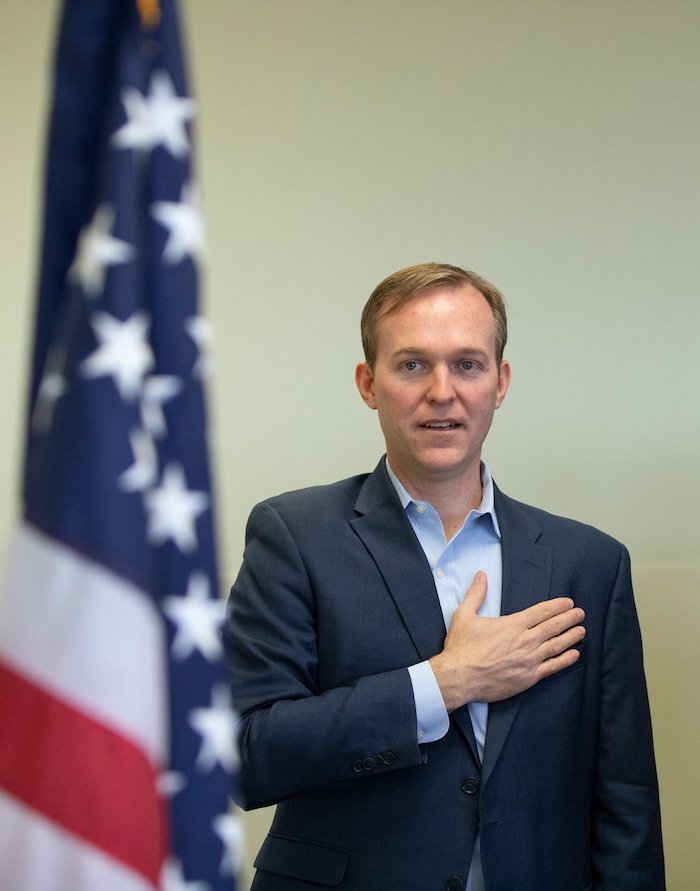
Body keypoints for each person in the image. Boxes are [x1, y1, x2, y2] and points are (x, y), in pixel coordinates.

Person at [223, 263, 664, 890]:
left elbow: (626, 807)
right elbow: (243, 756)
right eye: (411, 365)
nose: (441, 391)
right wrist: (442, 683)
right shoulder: (294, 535)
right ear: (367, 383)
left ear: (500, 382)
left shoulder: (590, 563)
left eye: (468, 364)